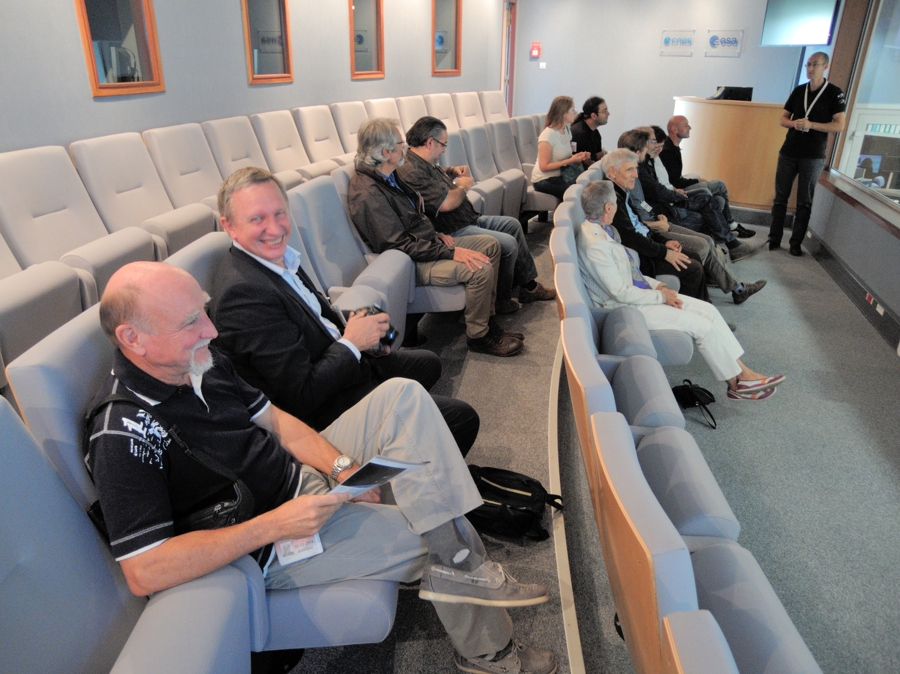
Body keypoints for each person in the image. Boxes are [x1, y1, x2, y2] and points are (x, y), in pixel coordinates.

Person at [86, 261, 557, 674]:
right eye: (191, 322)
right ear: (133, 339)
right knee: (434, 530)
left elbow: (277, 421)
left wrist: (342, 466)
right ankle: (489, 651)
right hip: (267, 540)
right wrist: (274, 524)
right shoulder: (122, 433)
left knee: (404, 396)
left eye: (204, 312)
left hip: (300, 482)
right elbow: (144, 570)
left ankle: (457, 561)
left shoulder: (199, 362)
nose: (210, 329)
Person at [210, 167, 480, 455]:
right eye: (257, 219)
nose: (275, 229)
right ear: (229, 226)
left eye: (279, 213)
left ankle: (413, 443)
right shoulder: (244, 296)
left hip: (337, 363)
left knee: (429, 363)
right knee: (462, 419)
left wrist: (367, 336)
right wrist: (352, 343)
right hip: (322, 412)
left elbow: (317, 316)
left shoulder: (279, 256)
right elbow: (302, 396)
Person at [577, 181, 785, 401]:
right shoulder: (595, 245)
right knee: (702, 327)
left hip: (637, 296)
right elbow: (619, 292)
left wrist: (656, 285)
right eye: (616, 203)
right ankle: (737, 382)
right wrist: (661, 296)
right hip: (625, 309)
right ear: (608, 207)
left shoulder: (603, 230)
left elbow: (627, 273)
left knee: (709, 311)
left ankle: (743, 374)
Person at [348, 118, 523, 357]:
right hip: (410, 263)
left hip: (427, 245)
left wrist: (435, 233)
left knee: (490, 245)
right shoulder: (369, 193)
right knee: (480, 268)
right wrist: (450, 252)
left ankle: (487, 320)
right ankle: (479, 337)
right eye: (400, 143)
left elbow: (413, 217)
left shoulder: (388, 176)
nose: (405, 147)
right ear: (386, 151)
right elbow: (399, 246)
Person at [397, 116, 556, 313]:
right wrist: (463, 187)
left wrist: (451, 171)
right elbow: (445, 203)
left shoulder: (423, 161)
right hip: (452, 229)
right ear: (430, 142)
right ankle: (501, 299)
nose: (444, 150)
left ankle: (529, 287)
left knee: (512, 225)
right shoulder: (411, 171)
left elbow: (436, 175)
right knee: (507, 243)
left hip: (465, 218)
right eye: (443, 144)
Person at [618, 131, 766, 305]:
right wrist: (655, 224)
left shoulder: (639, 169)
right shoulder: (624, 184)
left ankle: (735, 286)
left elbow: (641, 208)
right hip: (657, 223)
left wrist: (657, 219)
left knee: (708, 224)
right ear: (638, 152)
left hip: (657, 220)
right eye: (650, 143)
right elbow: (634, 224)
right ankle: (726, 268)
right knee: (705, 234)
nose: (654, 145)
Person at [600, 148, 709, 301]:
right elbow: (630, 237)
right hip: (641, 257)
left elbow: (640, 226)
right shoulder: (612, 199)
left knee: (694, 255)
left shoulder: (621, 192)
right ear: (612, 172)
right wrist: (665, 252)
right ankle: (688, 309)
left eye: (636, 169)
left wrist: (665, 241)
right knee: (693, 268)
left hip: (647, 245)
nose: (636, 175)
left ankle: (704, 307)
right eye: (630, 170)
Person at [768, 52, 846, 256]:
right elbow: (783, 119)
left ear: (825, 66)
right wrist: (794, 123)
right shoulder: (799, 90)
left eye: (815, 65)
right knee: (780, 198)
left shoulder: (834, 93)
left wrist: (812, 125)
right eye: (808, 65)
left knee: (804, 201)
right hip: (789, 151)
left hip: (813, 155)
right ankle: (774, 239)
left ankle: (795, 243)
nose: (810, 69)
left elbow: (839, 125)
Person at [660, 115, 755, 239]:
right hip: (675, 190)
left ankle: (721, 230)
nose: (690, 128)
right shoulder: (667, 151)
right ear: (674, 129)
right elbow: (675, 181)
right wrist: (696, 181)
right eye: (686, 125)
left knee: (719, 200)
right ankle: (732, 225)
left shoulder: (673, 148)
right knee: (720, 185)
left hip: (676, 185)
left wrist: (695, 179)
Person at [530, 96, 591, 200]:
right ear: (564, 113)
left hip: (560, 175)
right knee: (577, 194)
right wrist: (570, 160)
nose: (575, 112)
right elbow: (544, 166)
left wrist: (578, 156)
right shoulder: (548, 134)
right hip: (544, 179)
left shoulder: (566, 129)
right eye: (572, 109)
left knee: (587, 187)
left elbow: (564, 156)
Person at [570, 96, 610, 166]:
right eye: (604, 111)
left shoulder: (595, 132)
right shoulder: (580, 134)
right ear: (593, 116)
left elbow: (599, 156)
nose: (608, 113)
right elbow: (586, 164)